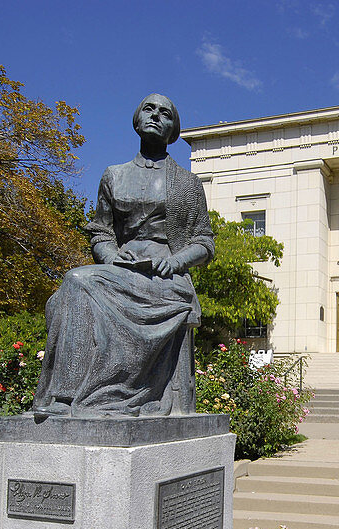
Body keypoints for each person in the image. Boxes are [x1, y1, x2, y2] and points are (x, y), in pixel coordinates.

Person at [31, 94, 214, 417]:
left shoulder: (188, 183)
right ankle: (65, 398)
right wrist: (111, 257)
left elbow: (204, 242)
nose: (156, 116)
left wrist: (174, 261)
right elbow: (101, 232)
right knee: (75, 283)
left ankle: (81, 397)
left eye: (165, 113)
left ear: (174, 129)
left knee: (77, 281)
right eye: (149, 109)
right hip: (120, 269)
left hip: (165, 279)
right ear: (136, 119)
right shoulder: (113, 175)